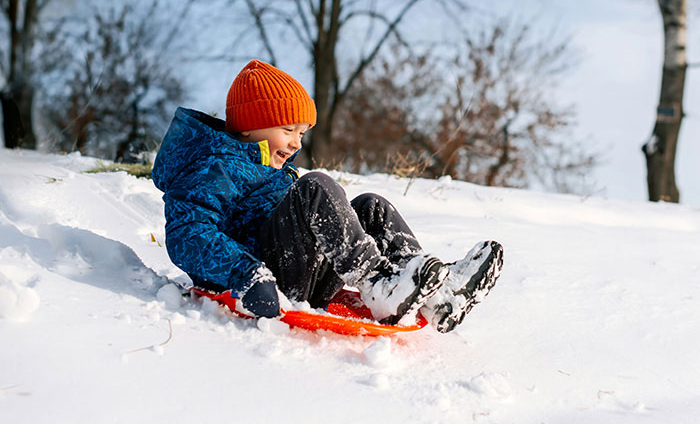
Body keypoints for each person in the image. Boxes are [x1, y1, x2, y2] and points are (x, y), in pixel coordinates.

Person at [152, 60, 503, 333]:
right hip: (264, 279)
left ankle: (435, 296)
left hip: (301, 272)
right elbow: (188, 234)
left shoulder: (271, 169)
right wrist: (247, 274)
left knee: (371, 206)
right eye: (287, 129)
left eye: (301, 132)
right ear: (248, 125)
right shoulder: (213, 167)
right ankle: (379, 283)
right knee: (315, 187)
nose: (295, 142)